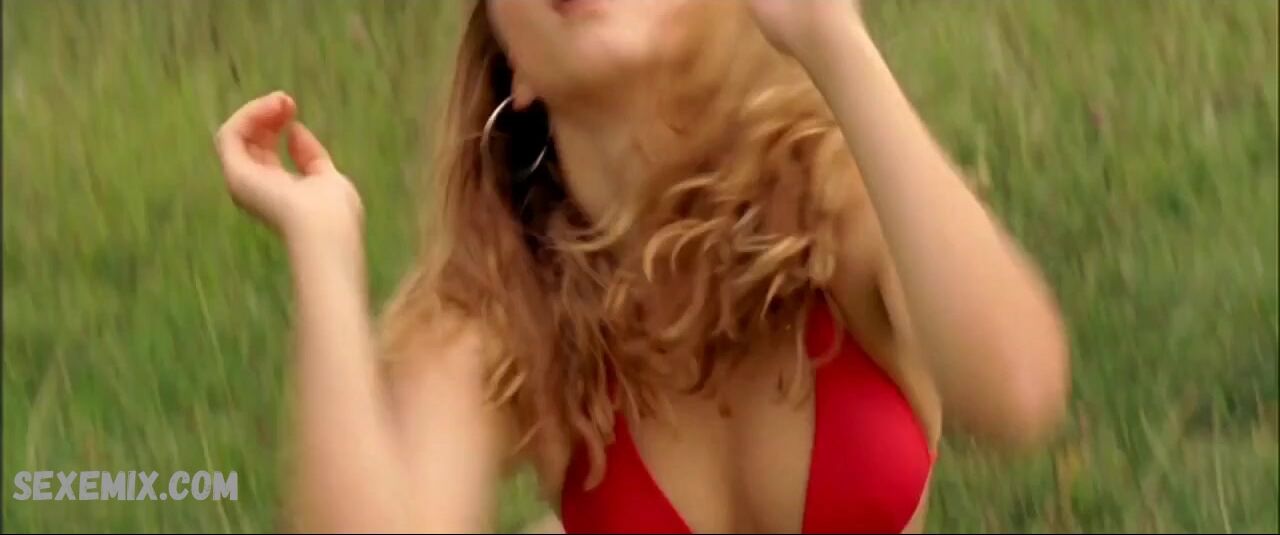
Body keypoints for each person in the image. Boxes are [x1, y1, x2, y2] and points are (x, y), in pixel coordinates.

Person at [213, 1, 1071, 533]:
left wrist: (834, 40)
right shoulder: (499, 310)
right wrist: (324, 253)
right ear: (516, 68)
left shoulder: (831, 200)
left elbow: (1019, 391)